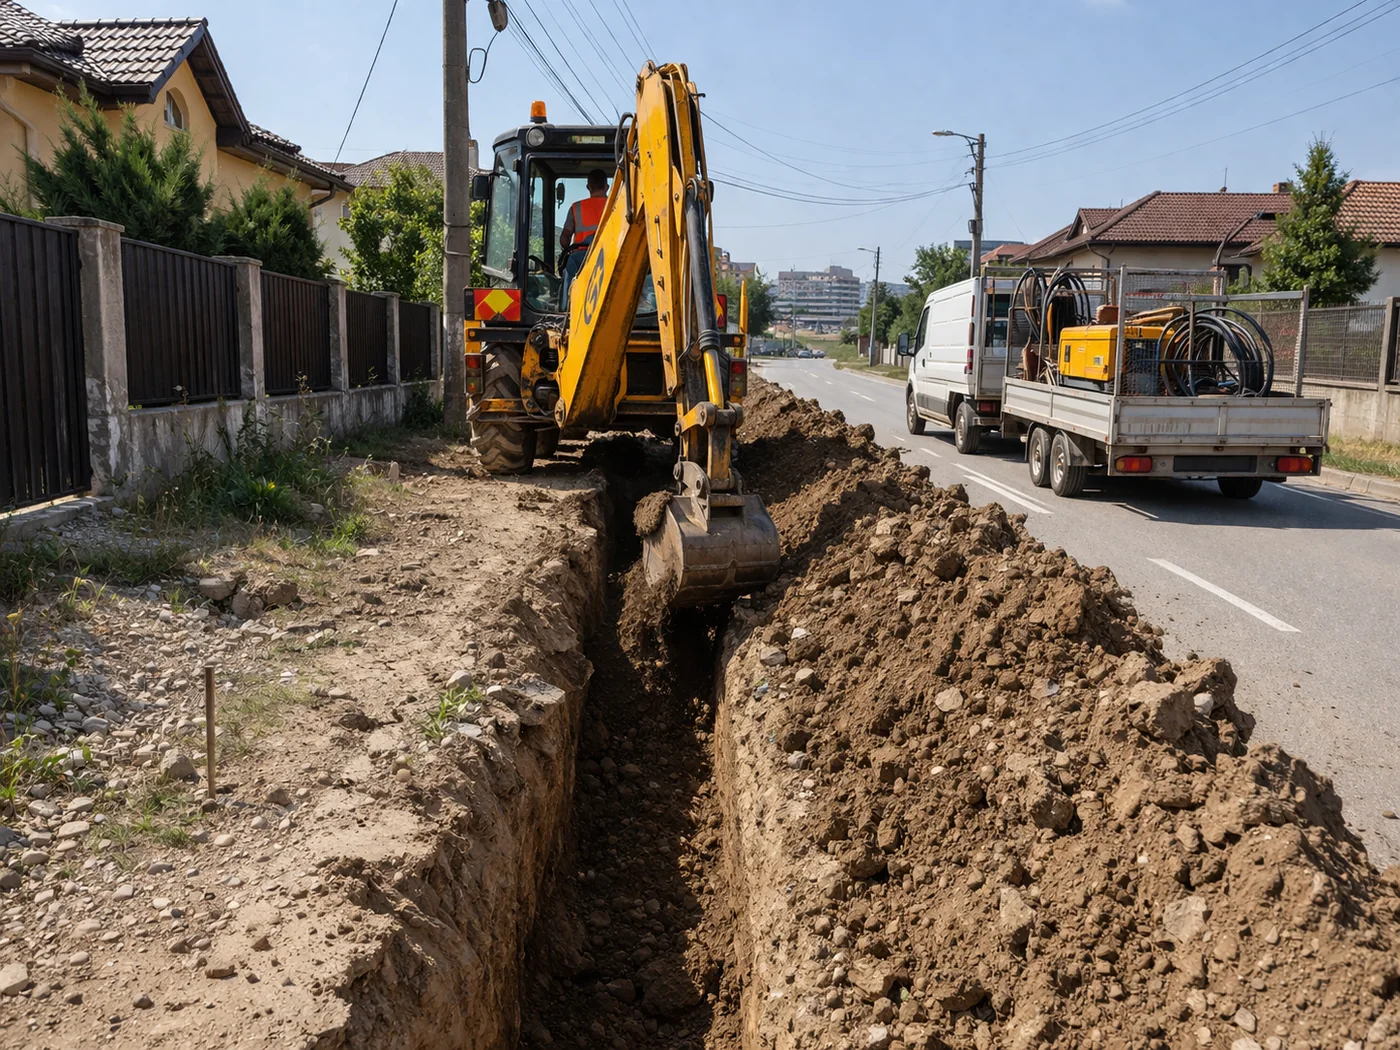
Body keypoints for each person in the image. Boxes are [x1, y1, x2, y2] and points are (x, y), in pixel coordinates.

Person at [559, 169, 608, 308]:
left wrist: (566, 249)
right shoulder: (616, 205)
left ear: (588, 187)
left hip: (581, 258)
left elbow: (565, 237)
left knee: (570, 265)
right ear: (606, 186)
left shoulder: (577, 207)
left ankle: (566, 309)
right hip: (610, 255)